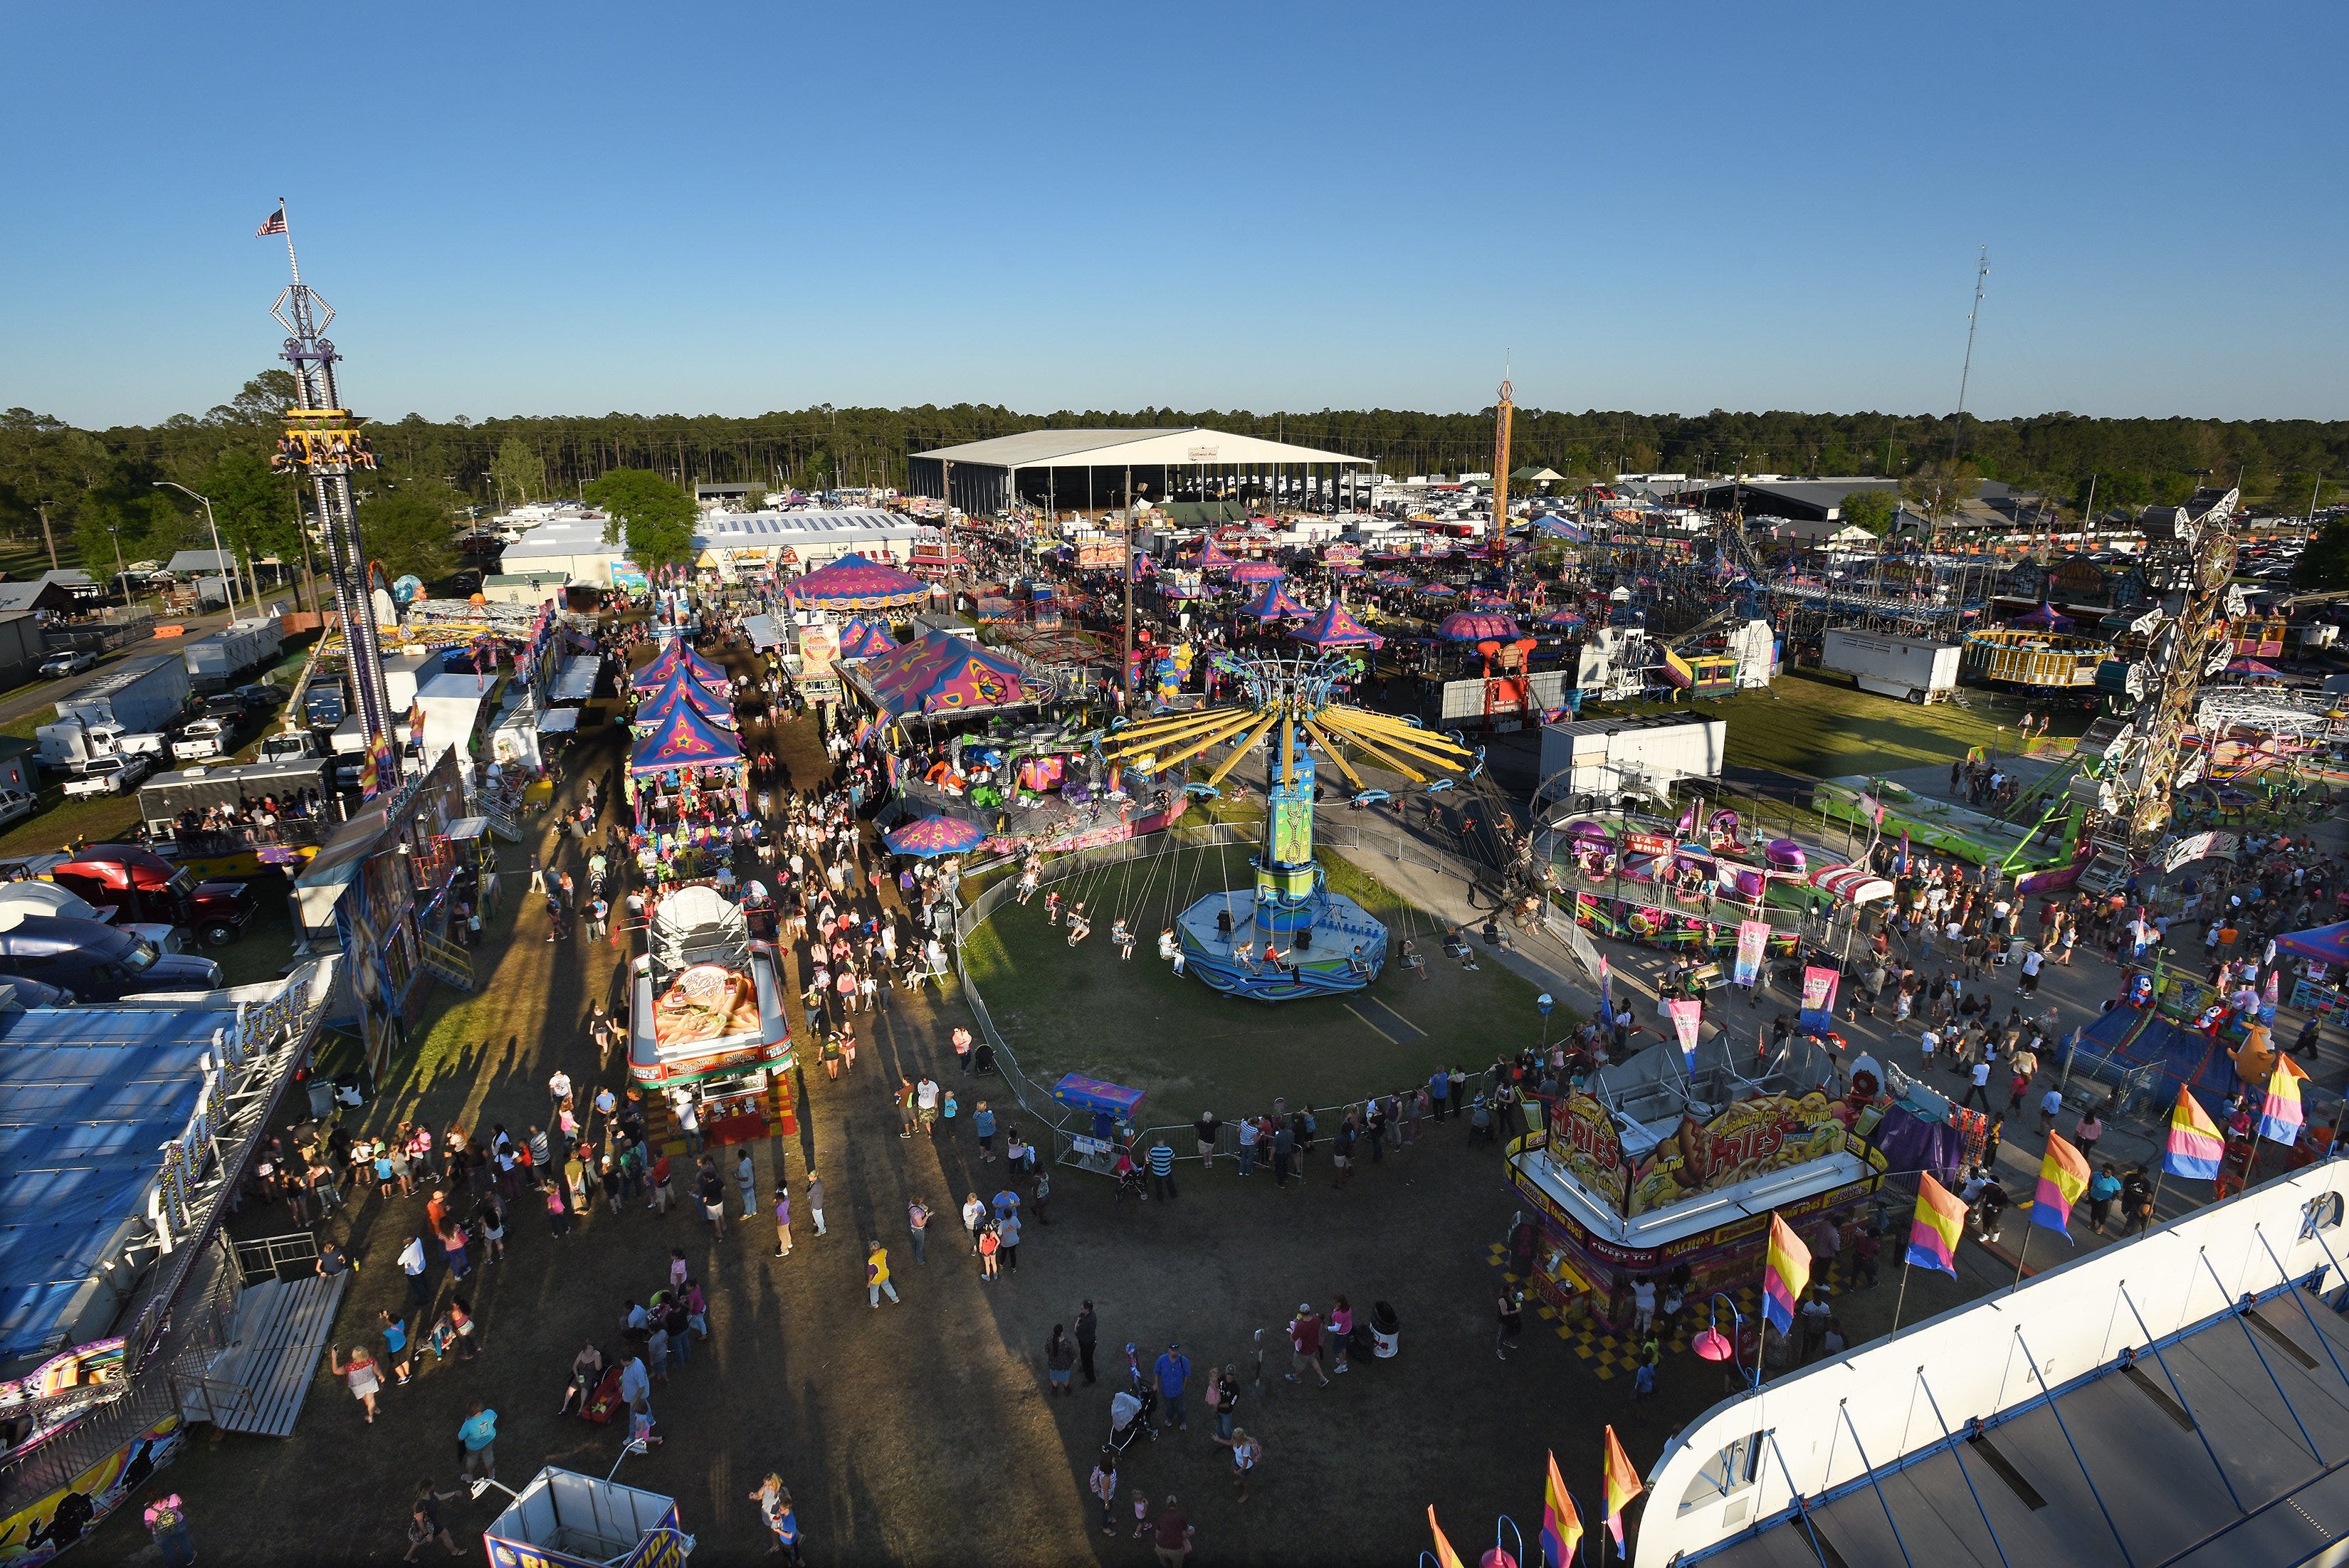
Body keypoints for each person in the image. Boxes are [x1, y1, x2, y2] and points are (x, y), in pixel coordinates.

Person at [402, 1479, 463, 1562]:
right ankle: (454, 1551)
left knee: (418, 1539)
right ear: (427, 1488)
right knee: (445, 1535)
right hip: (431, 1525)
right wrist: (427, 1534)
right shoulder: (420, 1505)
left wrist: (454, 1493)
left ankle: (408, 1556)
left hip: (428, 1524)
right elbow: (420, 1521)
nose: (433, 1487)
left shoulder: (430, 1492)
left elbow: (440, 1497)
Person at [750, 1475, 800, 1562]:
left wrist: (781, 1513)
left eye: (769, 1485)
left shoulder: (782, 1491)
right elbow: (758, 1495)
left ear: (775, 1483)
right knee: (773, 1530)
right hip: (768, 1516)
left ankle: (796, 1540)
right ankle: (776, 1546)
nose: (767, 1487)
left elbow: (788, 1503)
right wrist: (754, 1496)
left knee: (786, 1531)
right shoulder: (766, 1487)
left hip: (778, 1518)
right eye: (765, 1484)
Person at [330, 1343, 383, 1424]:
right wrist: (381, 1376)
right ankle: (372, 1413)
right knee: (371, 1400)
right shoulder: (371, 1360)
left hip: (357, 1387)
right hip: (370, 1383)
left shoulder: (349, 1367)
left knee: (367, 1401)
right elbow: (377, 1370)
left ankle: (373, 1411)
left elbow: (336, 1371)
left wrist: (334, 1358)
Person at [144, 1492, 196, 1568]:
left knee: (167, 1551)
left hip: (161, 1533)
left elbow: (148, 1526)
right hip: (178, 1525)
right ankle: (189, 1559)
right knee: (184, 1542)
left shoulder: (148, 1511)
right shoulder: (173, 1497)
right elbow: (180, 1505)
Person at [1155, 1341, 1192, 1430]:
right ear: (1169, 1350)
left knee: (1181, 1409)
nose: (1174, 1353)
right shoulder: (1161, 1360)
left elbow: (1187, 1375)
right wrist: (1156, 1384)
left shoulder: (1184, 1361)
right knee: (1169, 1409)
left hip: (1179, 1392)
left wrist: (1183, 1388)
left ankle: (1182, 1421)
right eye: (1172, 1350)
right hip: (1166, 1392)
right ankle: (1170, 1418)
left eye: (1176, 1350)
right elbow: (1156, 1372)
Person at [457, 1403, 498, 1483]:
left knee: (472, 1460)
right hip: (489, 1440)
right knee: (488, 1456)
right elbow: (495, 1417)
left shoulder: (468, 1425)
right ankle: (491, 1474)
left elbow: (460, 1437)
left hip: (474, 1447)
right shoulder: (489, 1413)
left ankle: (470, 1476)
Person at [1152, 1495, 1194, 1568]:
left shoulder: (1162, 1517)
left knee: (1165, 1564)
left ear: (1167, 1506)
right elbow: (1184, 1535)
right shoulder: (1182, 1516)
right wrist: (1188, 1535)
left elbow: (1157, 1535)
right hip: (1175, 1549)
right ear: (1176, 1504)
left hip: (1160, 1548)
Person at [1221, 1427, 1262, 1500]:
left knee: (1245, 1481)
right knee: (1233, 1469)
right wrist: (1218, 1439)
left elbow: (1245, 1465)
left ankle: (1245, 1494)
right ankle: (1240, 1479)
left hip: (1245, 1468)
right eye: (1233, 1435)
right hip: (1237, 1460)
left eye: (1234, 1437)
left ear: (1240, 1439)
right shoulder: (1235, 1440)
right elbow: (1229, 1443)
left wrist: (1238, 1472)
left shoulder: (1245, 1448)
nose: (1232, 1438)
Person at [1090, 1455, 1120, 1535]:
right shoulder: (1106, 1478)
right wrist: (1106, 1504)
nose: (1115, 1462)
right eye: (1113, 1462)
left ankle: (1108, 1519)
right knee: (1105, 1512)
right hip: (1106, 1498)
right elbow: (1105, 1492)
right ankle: (1105, 1527)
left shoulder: (1110, 1472)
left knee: (1108, 1511)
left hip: (1110, 1496)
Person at [866, 1241, 899, 1307]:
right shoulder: (884, 1251)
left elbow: (871, 1273)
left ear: (871, 1249)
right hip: (885, 1273)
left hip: (876, 1279)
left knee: (874, 1291)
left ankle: (874, 1304)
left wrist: (869, 1282)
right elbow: (888, 1259)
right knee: (887, 1286)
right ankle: (895, 1298)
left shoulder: (871, 1260)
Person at [1046, 1324, 1077, 1395]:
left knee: (1054, 1378)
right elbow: (1072, 1353)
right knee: (1065, 1379)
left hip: (1053, 1364)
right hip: (1064, 1365)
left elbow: (1046, 1350)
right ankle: (1067, 1390)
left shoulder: (1050, 1341)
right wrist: (1074, 1359)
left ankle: (1054, 1390)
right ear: (1062, 1333)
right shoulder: (1066, 1343)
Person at [1076, 1300, 1099, 1385]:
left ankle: (1090, 1379)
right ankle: (1084, 1367)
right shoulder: (1091, 1314)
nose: (1081, 1309)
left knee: (1088, 1361)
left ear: (1087, 1310)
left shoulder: (1088, 1321)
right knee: (1084, 1357)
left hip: (1087, 1343)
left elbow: (1077, 1329)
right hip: (1086, 1341)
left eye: (1082, 1308)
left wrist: (1077, 1323)